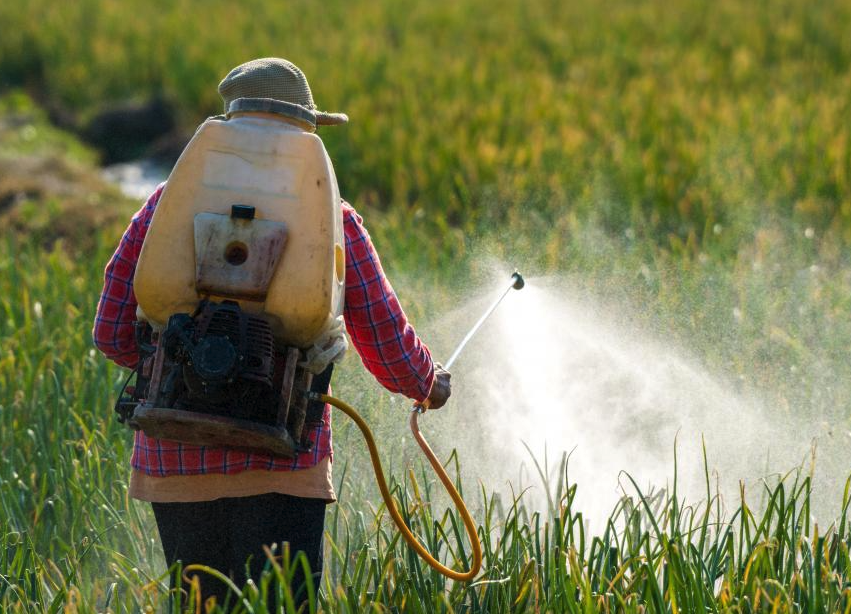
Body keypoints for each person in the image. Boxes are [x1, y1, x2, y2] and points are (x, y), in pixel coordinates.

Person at [92, 57, 451, 608]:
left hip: (175, 463)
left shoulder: (164, 208)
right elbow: (385, 338)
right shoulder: (334, 220)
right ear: (305, 131)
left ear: (230, 125)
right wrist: (428, 385)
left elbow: (112, 333)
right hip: (284, 464)